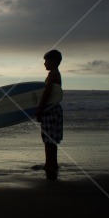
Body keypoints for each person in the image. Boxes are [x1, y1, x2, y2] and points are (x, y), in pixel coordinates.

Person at [36, 50, 63, 180]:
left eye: (46, 61)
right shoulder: (55, 73)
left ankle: (49, 164)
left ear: (54, 61)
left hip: (50, 110)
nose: (44, 63)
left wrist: (40, 109)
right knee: (51, 139)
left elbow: (46, 93)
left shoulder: (52, 74)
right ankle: (52, 163)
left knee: (48, 139)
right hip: (54, 109)